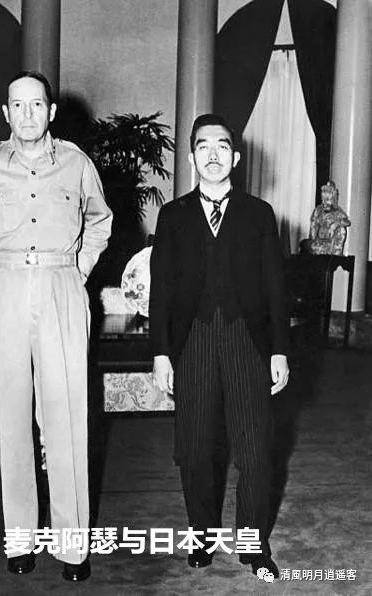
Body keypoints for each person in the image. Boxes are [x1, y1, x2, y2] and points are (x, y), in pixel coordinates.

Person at [0, 71, 112, 582]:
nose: (27, 114)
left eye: (37, 105)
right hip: (2, 289)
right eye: (18, 105)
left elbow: (100, 220)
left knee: (66, 417)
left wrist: (79, 268)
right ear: (6, 113)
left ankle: (73, 547)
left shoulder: (76, 164)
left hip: (60, 287)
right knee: (10, 419)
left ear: (51, 112)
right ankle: (21, 539)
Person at [150, 114, 289, 579]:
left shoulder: (259, 214)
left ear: (236, 156)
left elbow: (275, 287)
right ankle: (201, 536)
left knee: (255, 450)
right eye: (203, 146)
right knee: (194, 450)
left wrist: (279, 350)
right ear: (191, 158)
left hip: (246, 340)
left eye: (222, 146)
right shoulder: (173, 216)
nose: (213, 154)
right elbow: (161, 291)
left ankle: (252, 542)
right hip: (192, 342)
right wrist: (161, 353)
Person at [305, 180, 351, 255]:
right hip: (318, 241)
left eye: (327, 200)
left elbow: (347, 222)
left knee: (342, 230)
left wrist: (335, 225)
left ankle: (336, 254)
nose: (325, 203)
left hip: (331, 244)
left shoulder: (337, 211)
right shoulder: (318, 210)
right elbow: (313, 226)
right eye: (323, 200)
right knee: (306, 244)